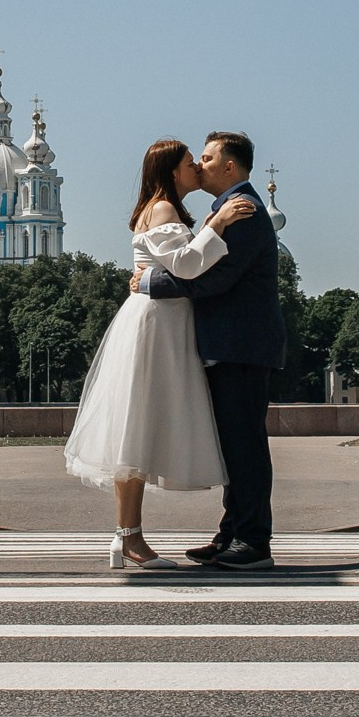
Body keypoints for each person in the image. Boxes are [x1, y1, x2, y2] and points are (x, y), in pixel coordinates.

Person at [64, 138, 258, 569]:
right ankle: (128, 537)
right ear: (172, 171)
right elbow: (187, 266)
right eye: (191, 162)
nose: (197, 168)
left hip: (164, 323)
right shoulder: (164, 208)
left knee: (139, 427)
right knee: (136, 429)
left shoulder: (166, 209)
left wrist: (209, 225)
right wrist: (218, 222)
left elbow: (181, 263)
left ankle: (127, 537)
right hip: (156, 326)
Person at [134, 131, 286, 570]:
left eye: (207, 158)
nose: (199, 165)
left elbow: (215, 279)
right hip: (233, 345)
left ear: (229, 167)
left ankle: (253, 541)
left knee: (245, 448)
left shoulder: (244, 210)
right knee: (235, 448)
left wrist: (149, 281)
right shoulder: (226, 208)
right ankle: (231, 535)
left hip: (242, 347)